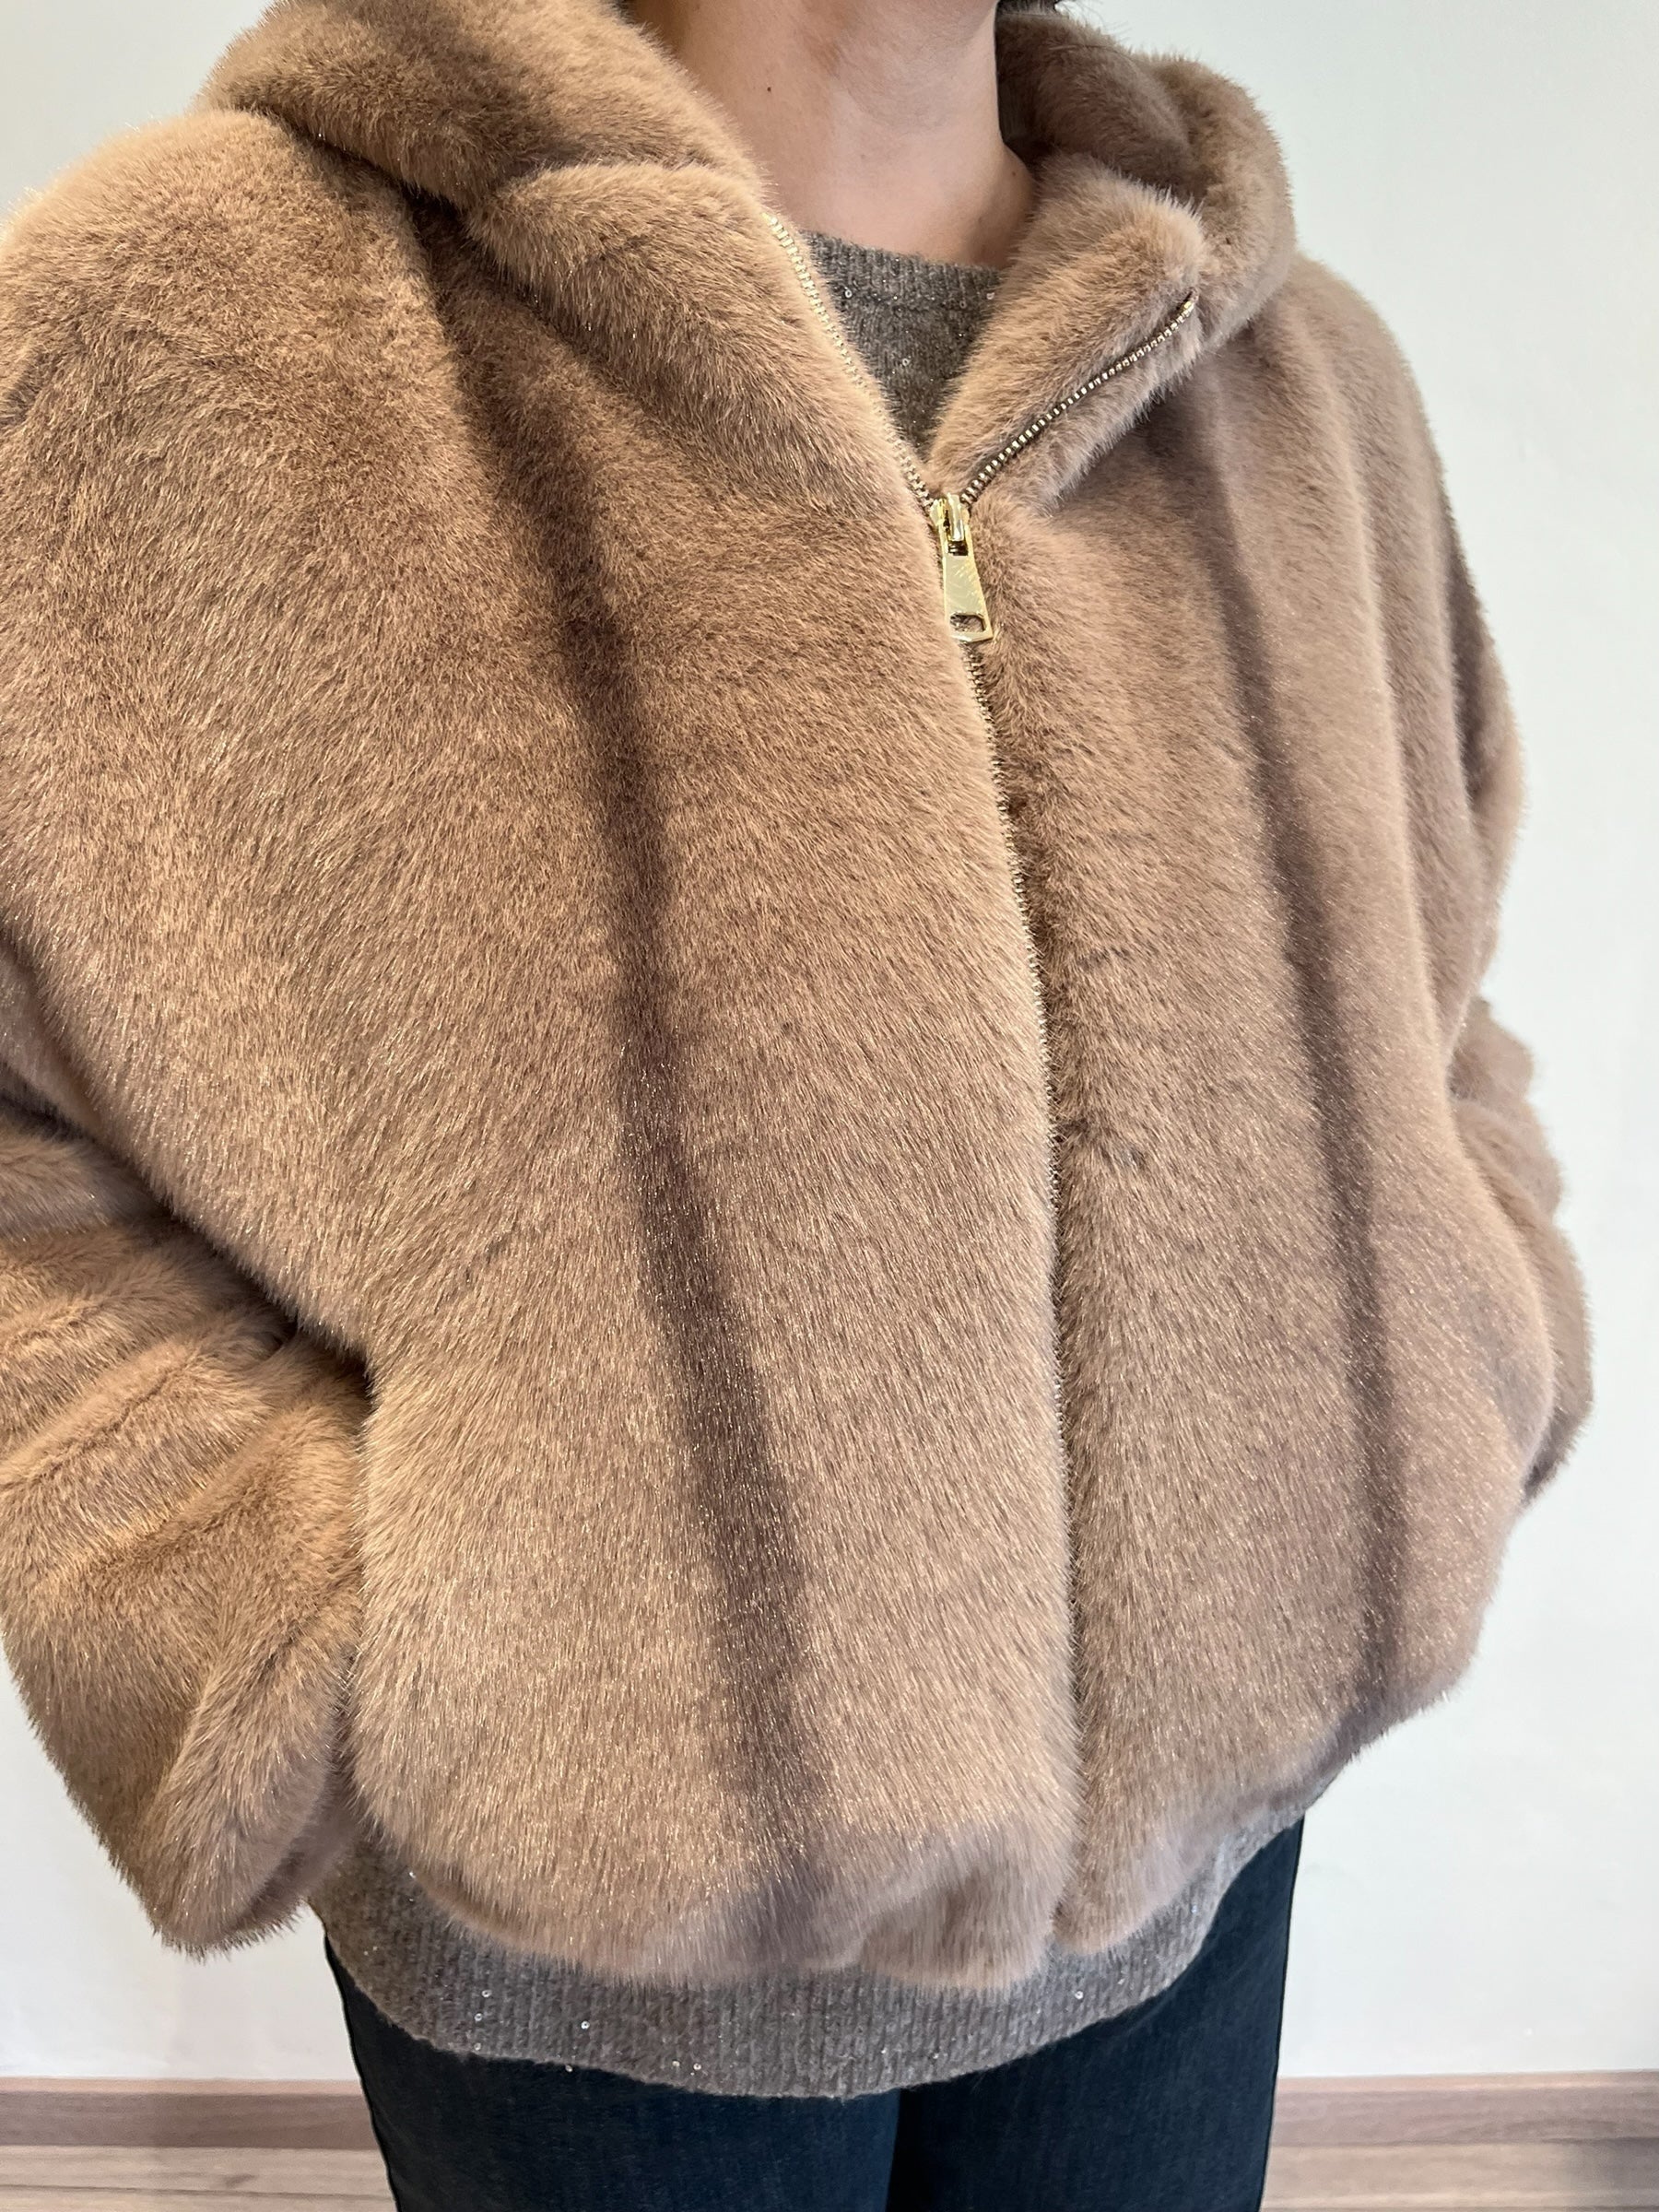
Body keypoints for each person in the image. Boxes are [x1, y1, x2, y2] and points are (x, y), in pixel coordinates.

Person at [0, 0, 1592, 2205]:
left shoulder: (1301, 386)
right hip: (594, 2000)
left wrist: (1476, 1352)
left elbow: (1438, 1000)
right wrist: (285, 1663)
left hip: (1200, 1905)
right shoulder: (186, 334)